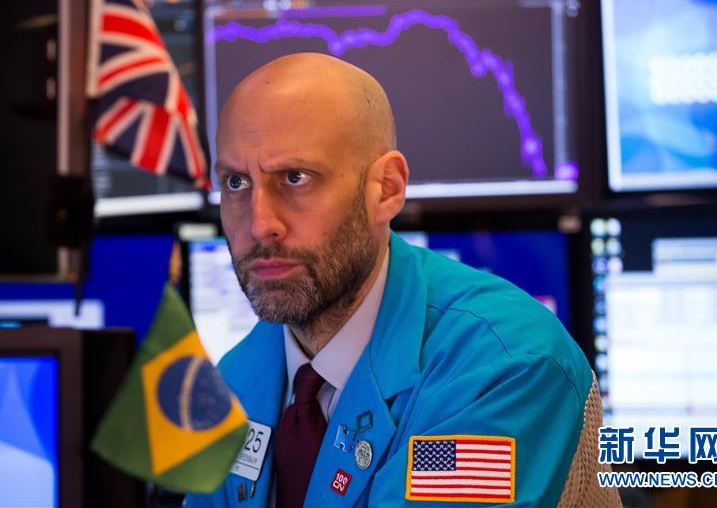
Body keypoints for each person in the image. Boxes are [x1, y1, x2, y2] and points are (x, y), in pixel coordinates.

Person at [186, 53, 618, 507]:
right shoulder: (237, 377)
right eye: (236, 183)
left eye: (296, 178)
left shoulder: (502, 367)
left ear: (386, 188)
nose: (259, 224)